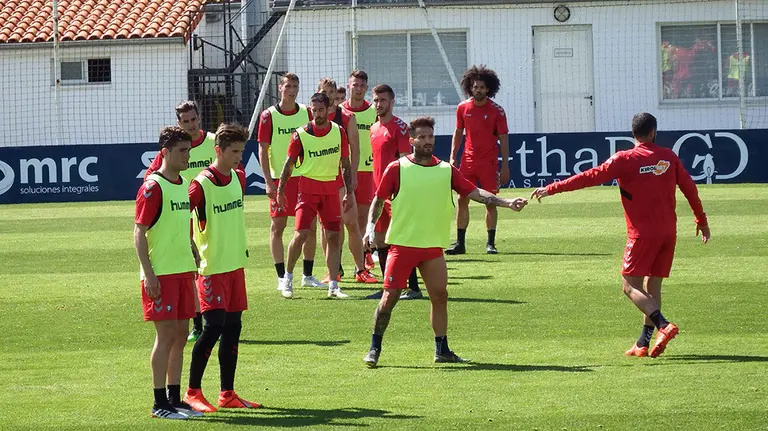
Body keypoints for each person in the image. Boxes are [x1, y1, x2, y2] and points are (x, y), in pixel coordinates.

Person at [531, 112, 710, 358]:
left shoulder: (625, 159)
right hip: (668, 232)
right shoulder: (668, 157)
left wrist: (551, 188)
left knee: (629, 285)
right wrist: (701, 219)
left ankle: (663, 325)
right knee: (652, 284)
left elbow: (588, 177)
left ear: (633, 133)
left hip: (642, 235)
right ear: (653, 132)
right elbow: (690, 188)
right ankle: (643, 343)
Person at [361, 117, 528, 367]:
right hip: (403, 246)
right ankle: (374, 347)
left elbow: (474, 192)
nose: (428, 141)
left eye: (431, 137)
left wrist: (506, 202)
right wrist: (369, 229)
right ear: (412, 140)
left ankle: (442, 349)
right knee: (389, 299)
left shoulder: (446, 170)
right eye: (423, 137)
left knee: (440, 296)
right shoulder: (397, 168)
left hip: (432, 249)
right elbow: (378, 199)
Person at [183, 123, 259, 412]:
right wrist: (192, 251)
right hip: (212, 267)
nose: (240, 157)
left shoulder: (239, 177)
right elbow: (180, 218)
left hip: (235, 265)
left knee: (233, 329)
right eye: (234, 151)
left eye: (242, 151)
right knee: (212, 328)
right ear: (219, 150)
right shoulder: (200, 184)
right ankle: (192, 392)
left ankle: (227, 393)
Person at [134, 126, 203, 419]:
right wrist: (149, 274)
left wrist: (191, 246)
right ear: (165, 152)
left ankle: (175, 399)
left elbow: (178, 224)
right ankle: (158, 403)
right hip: (160, 274)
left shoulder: (183, 183)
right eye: (182, 151)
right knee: (164, 337)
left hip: (183, 270)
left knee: (180, 335)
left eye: (188, 150)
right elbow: (139, 232)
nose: (188, 155)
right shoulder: (153, 186)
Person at [144, 101, 219, 343]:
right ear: (179, 123)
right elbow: (151, 176)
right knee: (194, 269)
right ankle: (199, 323)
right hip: (182, 214)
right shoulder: (172, 149)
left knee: (214, 265)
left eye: (193, 119)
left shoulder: (212, 142)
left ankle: (216, 317)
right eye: (185, 121)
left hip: (210, 213)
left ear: (199, 118)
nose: (191, 124)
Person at [277, 92, 355, 299]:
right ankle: (288, 279)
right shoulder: (300, 134)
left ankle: (334, 285)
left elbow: (345, 165)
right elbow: (288, 165)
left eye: (321, 110)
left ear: (329, 110)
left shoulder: (339, 132)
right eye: (314, 110)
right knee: (301, 234)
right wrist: (280, 191)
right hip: (308, 191)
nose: (317, 114)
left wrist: (348, 192)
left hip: (330, 190)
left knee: (333, 236)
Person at [257, 73, 325, 295]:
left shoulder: (306, 112)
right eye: (288, 86)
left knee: (310, 226)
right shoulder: (268, 116)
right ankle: (280, 276)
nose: (292, 90)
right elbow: (263, 150)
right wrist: (269, 182)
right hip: (280, 179)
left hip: (304, 178)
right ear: (280, 88)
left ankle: (307, 275)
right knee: (278, 227)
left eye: (295, 86)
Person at [363, 84, 423, 301]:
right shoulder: (373, 128)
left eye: (383, 100)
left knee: (403, 240)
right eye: (376, 100)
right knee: (380, 241)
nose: (379, 104)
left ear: (392, 102)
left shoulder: (399, 128)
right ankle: (388, 286)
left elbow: (408, 161)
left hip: (397, 194)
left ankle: (414, 287)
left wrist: (405, 191)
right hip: (380, 193)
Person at [316, 78, 378, 284]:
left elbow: (356, 149)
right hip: (321, 179)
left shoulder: (346, 116)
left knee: (351, 223)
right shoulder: (311, 118)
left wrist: (351, 178)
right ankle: (334, 270)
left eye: (331, 92)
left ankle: (361, 270)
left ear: (335, 94)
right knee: (327, 228)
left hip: (343, 179)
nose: (328, 95)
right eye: (324, 91)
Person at [447, 65, 510, 255]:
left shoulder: (497, 111)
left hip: (488, 163)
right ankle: (460, 243)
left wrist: (505, 165)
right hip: (467, 162)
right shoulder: (463, 108)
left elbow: (504, 138)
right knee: (462, 199)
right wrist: (453, 156)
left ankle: (490, 243)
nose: (479, 90)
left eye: (482, 87)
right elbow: (458, 132)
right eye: (475, 87)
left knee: (490, 201)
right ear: (470, 87)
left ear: (488, 89)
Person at [341, 70, 379, 272]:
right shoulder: (340, 112)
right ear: (348, 86)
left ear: (366, 88)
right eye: (354, 85)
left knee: (363, 218)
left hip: (367, 170)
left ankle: (363, 261)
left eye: (361, 86)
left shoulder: (374, 111)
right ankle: (336, 266)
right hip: (343, 171)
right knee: (339, 220)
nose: (358, 89)